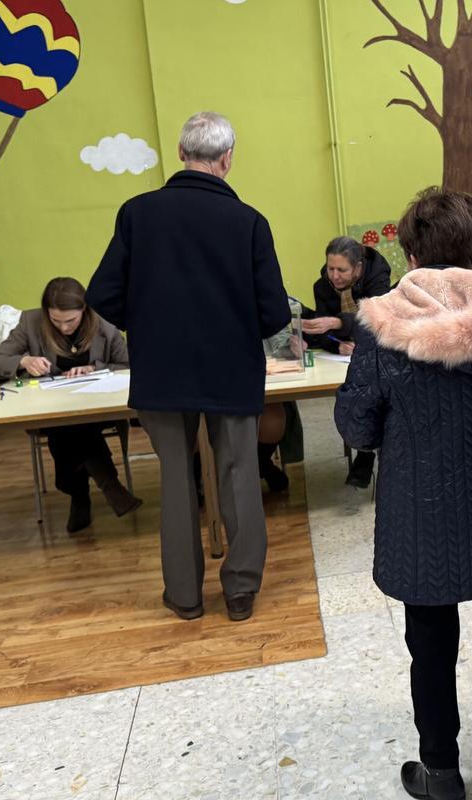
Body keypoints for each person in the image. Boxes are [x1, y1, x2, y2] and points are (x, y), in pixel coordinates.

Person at [336, 187, 472, 800]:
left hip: (421, 514)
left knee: (430, 647)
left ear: (411, 254)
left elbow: (356, 427)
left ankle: (441, 772)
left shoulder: (386, 332)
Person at [86, 111, 291, 623]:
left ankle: (185, 596)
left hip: (162, 370)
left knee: (176, 480)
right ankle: (240, 591)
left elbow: (102, 294)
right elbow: (274, 314)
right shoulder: (249, 222)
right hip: (232, 369)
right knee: (240, 475)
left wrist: (151, 323)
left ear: (180, 153)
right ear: (227, 159)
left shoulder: (137, 213)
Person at [0, 277, 141, 533]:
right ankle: (108, 483)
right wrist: (24, 361)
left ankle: (78, 495)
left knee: (70, 427)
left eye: (71, 320)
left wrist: (94, 368)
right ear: (47, 313)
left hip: (96, 407)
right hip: (51, 407)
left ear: (85, 310)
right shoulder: (30, 321)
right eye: (56, 321)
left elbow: (127, 364)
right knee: (64, 423)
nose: (64, 327)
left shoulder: (104, 322)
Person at [302, 235, 392, 488]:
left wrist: (341, 322)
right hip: (344, 356)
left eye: (342, 270)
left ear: (358, 268)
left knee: (373, 391)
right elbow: (324, 333)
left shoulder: (377, 279)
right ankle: (361, 447)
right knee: (349, 395)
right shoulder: (322, 287)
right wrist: (336, 343)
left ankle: (365, 456)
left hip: (379, 346)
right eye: (331, 268)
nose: (335, 276)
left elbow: (379, 320)